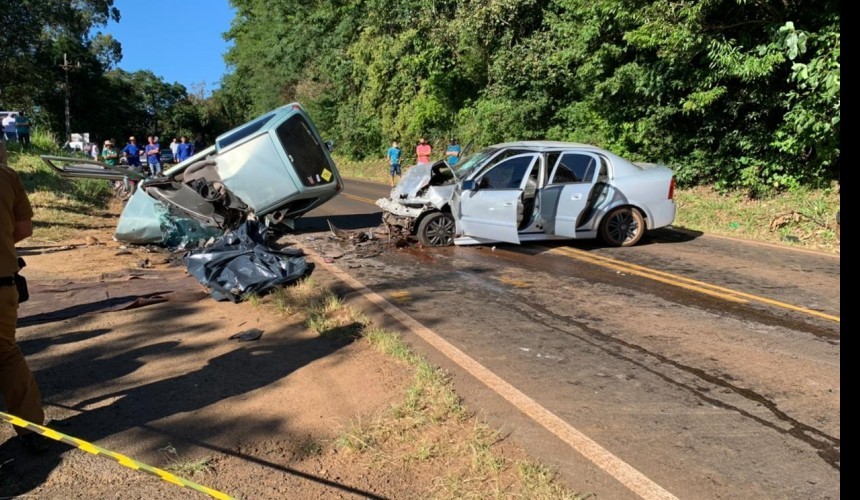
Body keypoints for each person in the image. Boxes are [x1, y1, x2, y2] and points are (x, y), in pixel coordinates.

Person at [0, 139, 49, 452]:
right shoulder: (7, 177)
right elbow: (24, 229)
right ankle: (31, 430)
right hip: (2, 282)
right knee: (6, 354)